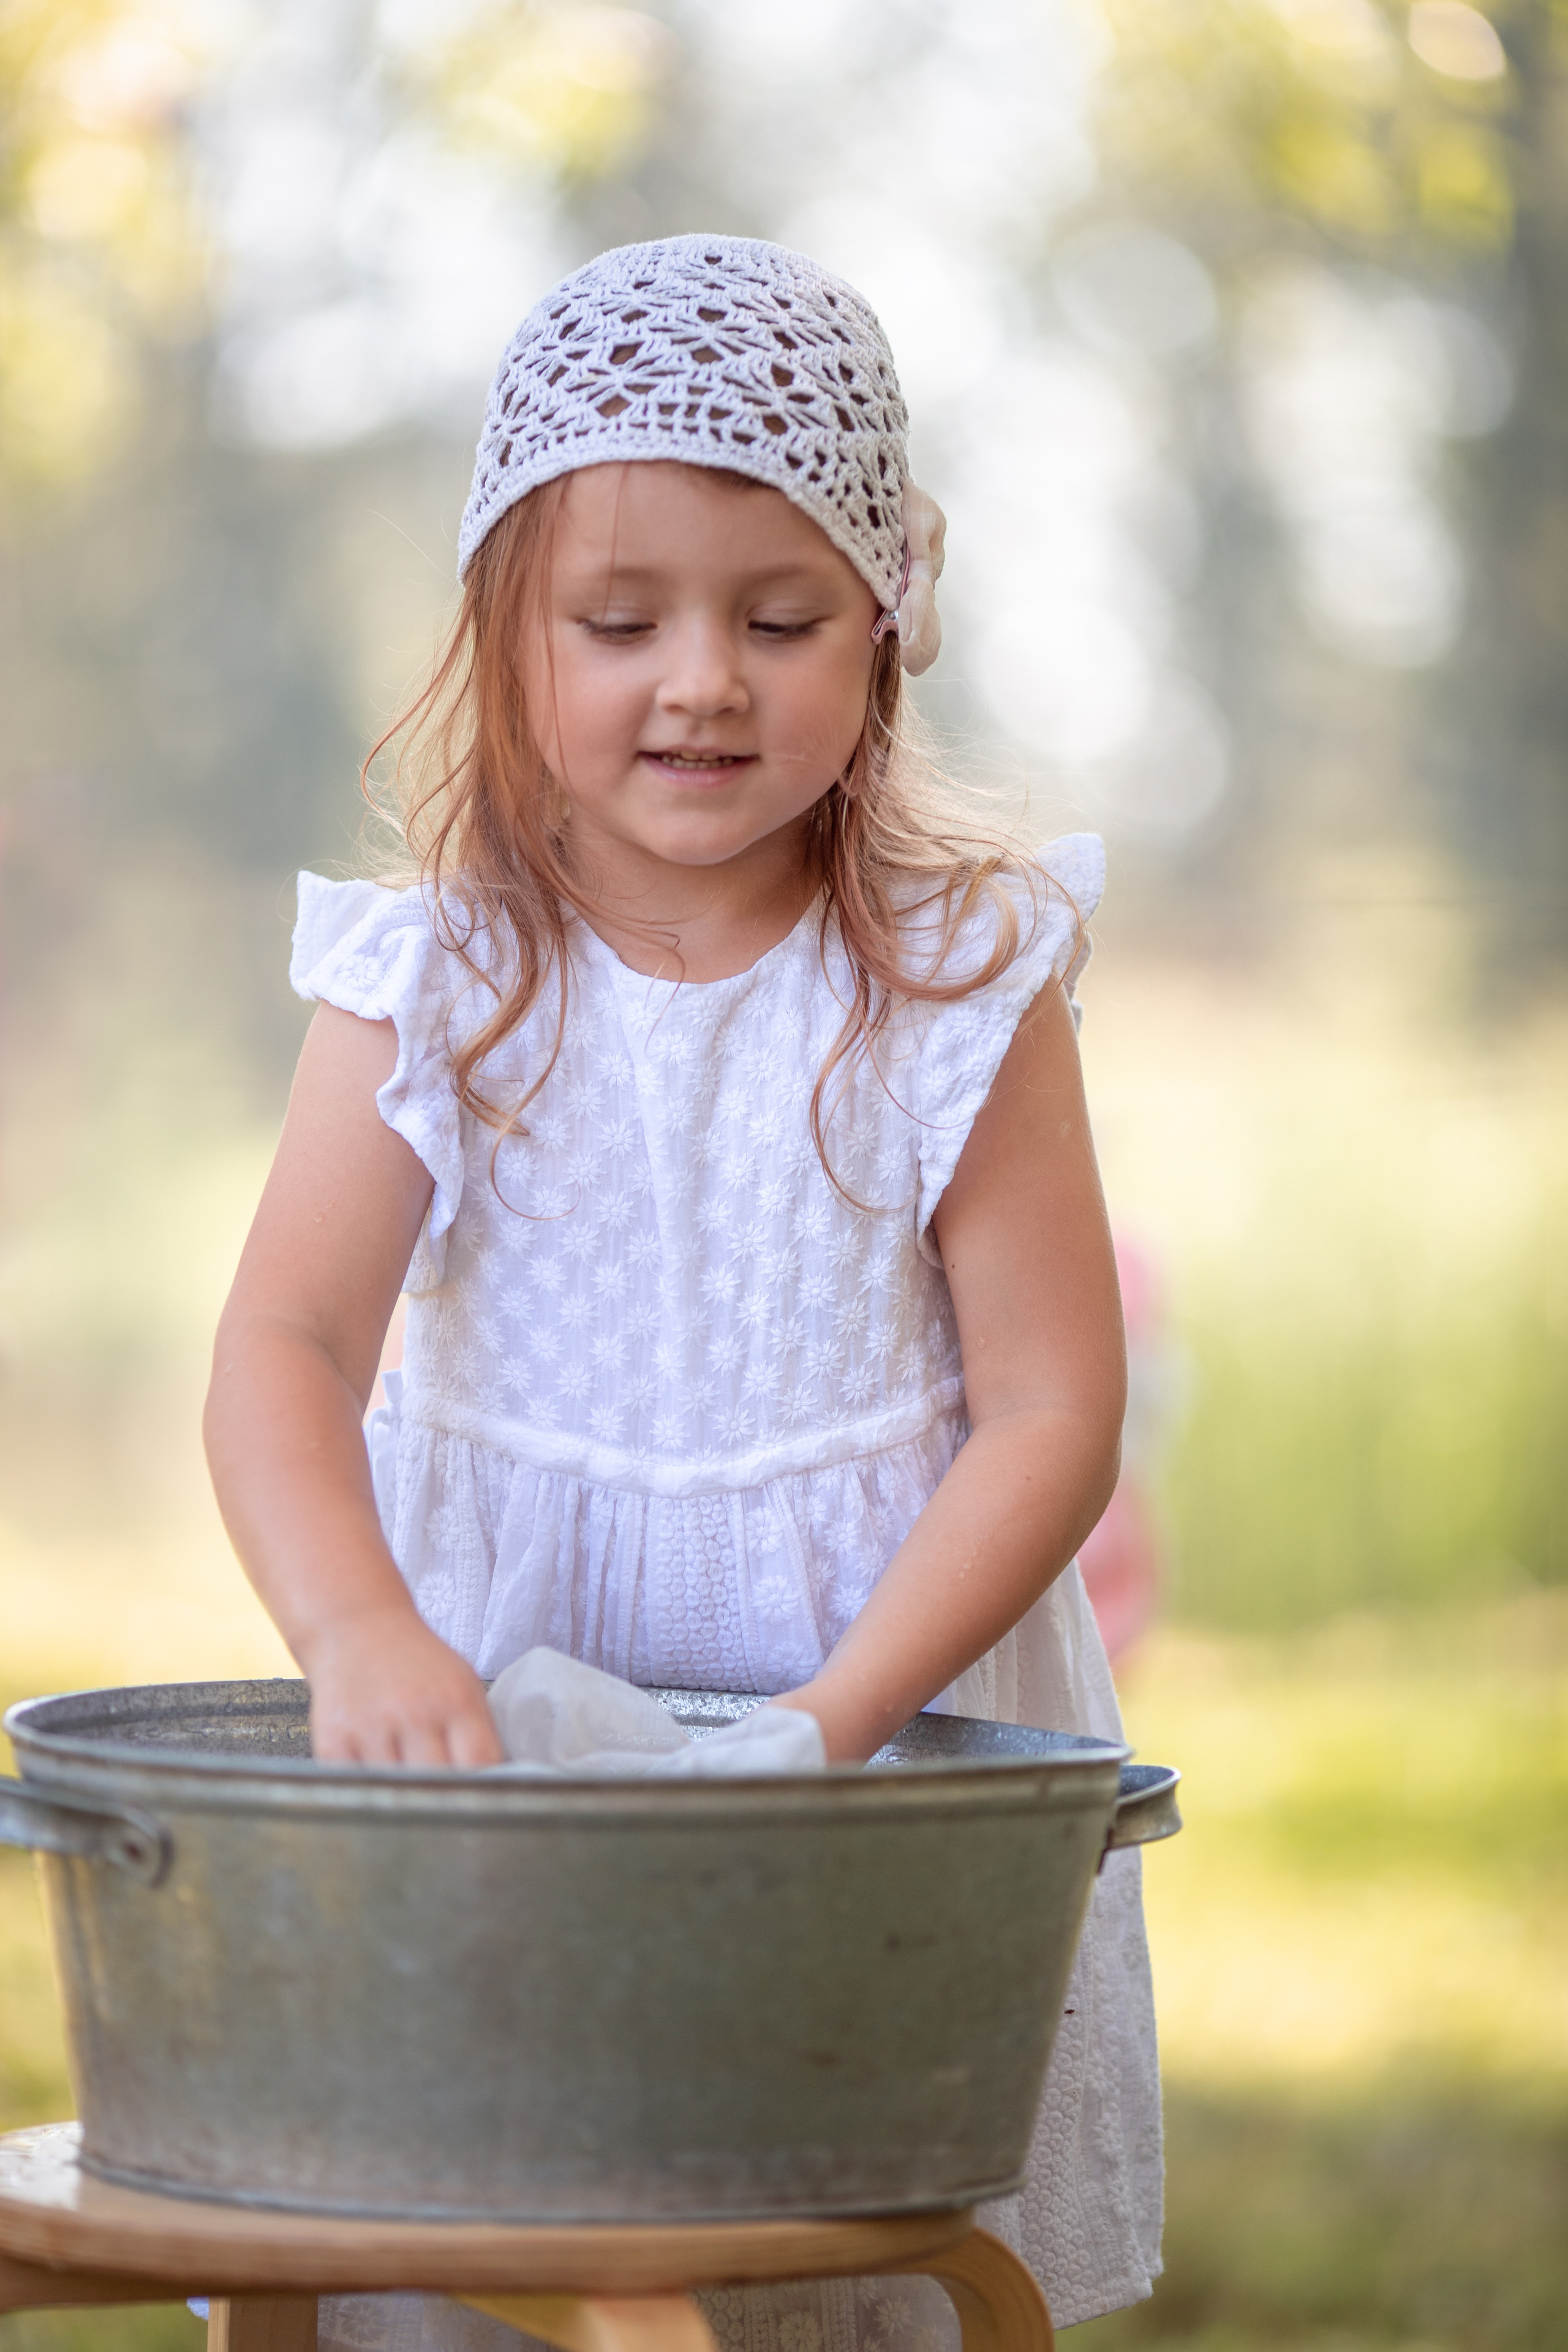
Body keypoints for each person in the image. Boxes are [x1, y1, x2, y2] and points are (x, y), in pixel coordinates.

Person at [205, 235, 1161, 2352]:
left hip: (867, 1695)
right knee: (460, 2235)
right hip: (506, 1717)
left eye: (783, 616)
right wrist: (358, 1625)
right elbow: (282, 1347)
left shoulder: (956, 983)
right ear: (507, 634)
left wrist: (836, 1727)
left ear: (889, 630)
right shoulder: (436, 983)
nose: (703, 680)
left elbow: (1049, 1414)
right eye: (620, 620)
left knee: (822, 2237)